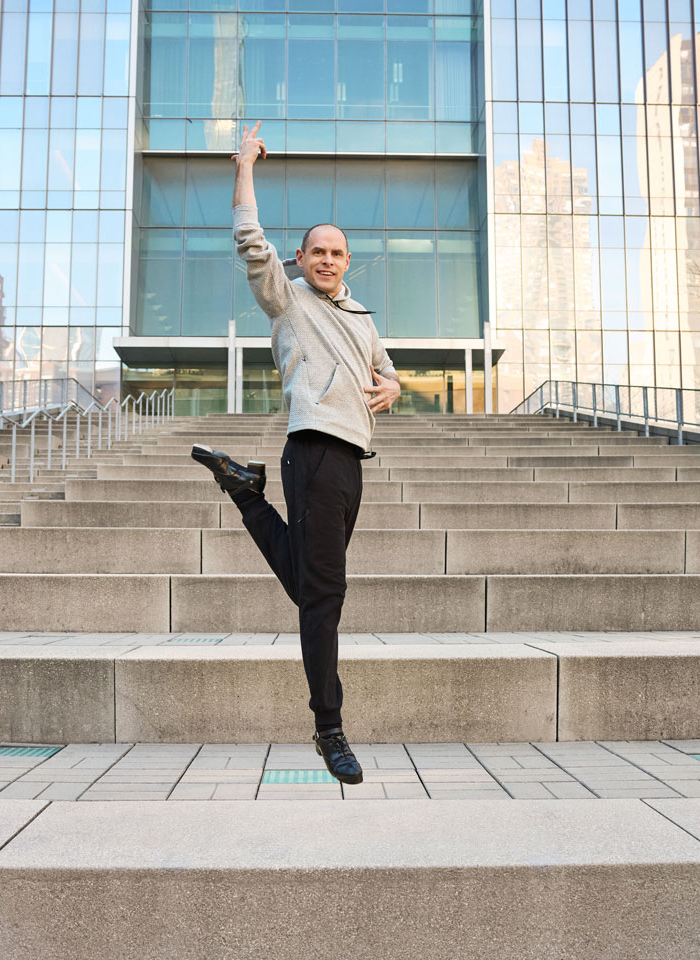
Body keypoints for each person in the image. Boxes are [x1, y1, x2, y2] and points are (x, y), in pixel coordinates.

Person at [192, 120, 400, 785]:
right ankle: (328, 728)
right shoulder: (289, 303)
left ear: (348, 260)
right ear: (304, 260)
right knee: (323, 597)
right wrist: (245, 163)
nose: (328, 260)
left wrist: (395, 384)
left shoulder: (362, 315)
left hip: (350, 462)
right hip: (311, 449)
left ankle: (245, 493)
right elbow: (251, 242)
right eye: (318, 252)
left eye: (337, 253)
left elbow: (387, 368)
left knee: (317, 590)